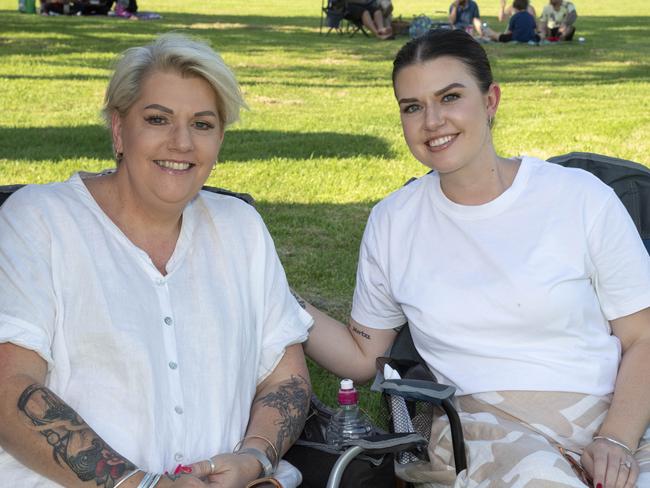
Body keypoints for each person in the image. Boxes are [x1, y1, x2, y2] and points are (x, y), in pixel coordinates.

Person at [302, 29, 650, 487]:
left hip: (604, 416)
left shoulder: (581, 198)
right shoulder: (395, 222)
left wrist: (618, 440)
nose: (432, 121)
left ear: (490, 100)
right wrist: (275, 297)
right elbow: (366, 355)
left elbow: (642, 337)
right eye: (412, 107)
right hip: (475, 424)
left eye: (450, 97)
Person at [0, 33, 313, 488]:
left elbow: (287, 377)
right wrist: (139, 484)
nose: (181, 142)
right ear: (118, 128)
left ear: (220, 138)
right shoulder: (40, 221)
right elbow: (10, 387)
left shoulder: (240, 228)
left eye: (202, 124)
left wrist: (253, 458)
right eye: (157, 119)